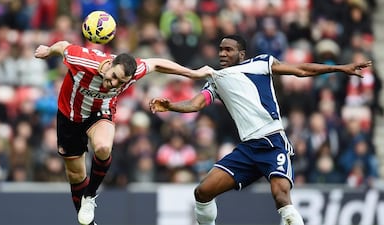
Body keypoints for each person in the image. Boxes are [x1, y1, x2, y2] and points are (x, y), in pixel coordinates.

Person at [149, 35, 372, 225]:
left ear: (242, 54)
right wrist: (171, 106)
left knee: (281, 197)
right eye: (220, 50)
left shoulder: (260, 64)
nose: (223, 54)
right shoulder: (216, 79)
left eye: (229, 50)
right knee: (202, 192)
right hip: (247, 149)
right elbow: (195, 104)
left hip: (272, 142)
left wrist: (339, 68)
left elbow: (300, 70)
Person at [34, 40, 202, 225]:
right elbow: (63, 46)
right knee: (75, 175)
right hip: (70, 116)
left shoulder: (133, 71)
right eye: (114, 76)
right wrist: (49, 50)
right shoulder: (82, 59)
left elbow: (157, 63)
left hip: (100, 113)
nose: (113, 84)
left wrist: (193, 74)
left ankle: (90, 197)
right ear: (110, 64)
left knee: (104, 147)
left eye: (120, 82)